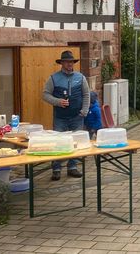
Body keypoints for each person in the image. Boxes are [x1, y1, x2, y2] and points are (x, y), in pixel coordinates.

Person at [42, 50, 90, 181]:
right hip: (60, 117)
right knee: (58, 142)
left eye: (71, 62)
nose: (69, 64)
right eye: (67, 62)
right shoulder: (53, 78)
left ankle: (72, 167)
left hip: (77, 116)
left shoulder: (80, 78)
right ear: (62, 63)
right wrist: (58, 102)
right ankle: (56, 169)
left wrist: (84, 111)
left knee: (75, 143)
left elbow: (86, 95)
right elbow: (45, 95)